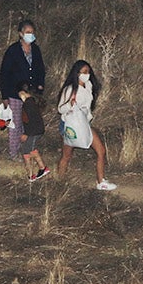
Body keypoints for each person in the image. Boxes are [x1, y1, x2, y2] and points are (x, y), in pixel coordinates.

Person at [55, 60, 116, 191]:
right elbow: (60, 109)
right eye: (83, 72)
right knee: (66, 155)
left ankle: (101, 181)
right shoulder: (70, 89)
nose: (86, 75)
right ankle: (59, 182)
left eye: (88, 72)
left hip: (84, 124)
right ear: (76, 74)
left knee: (101, 150)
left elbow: (87, 107)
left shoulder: (88, 86)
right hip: (70, 125)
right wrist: (70, 105)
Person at [0, 20, 45, 163]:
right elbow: (4, 74)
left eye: (32, 32)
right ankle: (14, 153)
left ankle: (28, 149)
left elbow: (40, 69)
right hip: (15, 93)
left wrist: (40, 85)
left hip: (31, 93)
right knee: (16, 123)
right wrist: (5, 95)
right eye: (27, 32)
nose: (30, 35)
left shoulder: (35, 50)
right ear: (20, 33)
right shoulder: (13, 51)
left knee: (29, 123)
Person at [16, 82, 51, 182]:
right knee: (31, 149)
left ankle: (31, 175)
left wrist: (26, 134)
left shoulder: (28, 104)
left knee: (26, 152)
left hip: (34, 131)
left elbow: (31, 121)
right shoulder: (31, 102)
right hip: (36, 131)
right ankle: (42, 168)